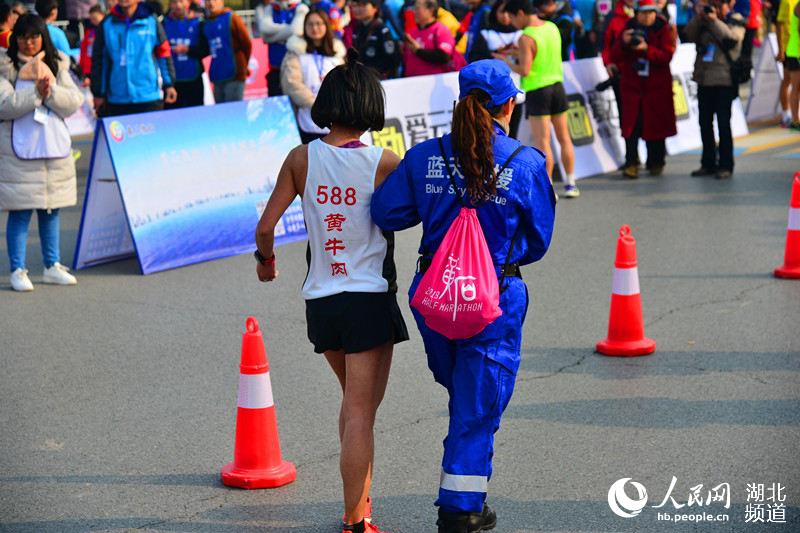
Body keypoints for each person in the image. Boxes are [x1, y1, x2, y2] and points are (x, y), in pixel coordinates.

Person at [371, 59, 555, 533]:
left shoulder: (423, 156)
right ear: (508, 105)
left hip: (434, 298)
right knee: (478, 405)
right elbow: (537, 242)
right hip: (493, 298)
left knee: (466, 397)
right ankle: (461, 508)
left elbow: (388, 213)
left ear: (460, 103)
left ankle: (464, 487)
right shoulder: (526, 162)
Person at [255, 50, 408, 533]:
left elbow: (265, 228)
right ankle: (354, 520)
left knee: (351, 403)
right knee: (362, 412)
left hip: (321, 300)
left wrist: (267, 262)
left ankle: (361, 507)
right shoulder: (384, 162)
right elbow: (414, 213)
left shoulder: (301, 157)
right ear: (368, 106)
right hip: (368, 297)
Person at [0, 14, 84, 291]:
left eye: (34, 36)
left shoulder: (58, 63)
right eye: (22, 36)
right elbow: (4, 105)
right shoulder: (6, 66)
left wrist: (51, 93)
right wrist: (35, 93)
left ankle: (52, 265)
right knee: (21, 213)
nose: (28, 42)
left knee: (51, 210)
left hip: (52, 149)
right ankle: (17, 269)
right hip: (18, 152)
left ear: (43, 37)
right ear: (16, 39)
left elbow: (74, 102)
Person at [501, 0, 579, 198]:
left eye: (512, 19)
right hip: (557, 86)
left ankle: (549, 189)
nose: (512, 24)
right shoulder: (552, 27)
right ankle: (571, 183)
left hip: (538, 91)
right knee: (564, 138)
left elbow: (525, 69)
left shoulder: (526, 37)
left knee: (543, 142)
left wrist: (507, 61)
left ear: (520, 13)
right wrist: (517, 52)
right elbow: (543, 52)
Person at [611, 0, 676, 178]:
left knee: (656, 126)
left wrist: (647, 49)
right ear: (637, 13)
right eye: (643, 13)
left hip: (656, 88)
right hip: (632, 86)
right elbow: (615, 54)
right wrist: (624, 43)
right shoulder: (628, 29)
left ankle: (656, 161)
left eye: (650, 13)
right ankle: (631, 162)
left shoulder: (664, 29)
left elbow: (667, 55)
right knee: (631, 127)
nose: (646, 17)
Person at [686, 0, 745, 179]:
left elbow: (732, 40)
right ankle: (708, 163)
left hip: (724, 80)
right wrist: (699, 17)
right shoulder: (702, 21)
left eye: (718, 4)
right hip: (704, 79)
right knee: (704, 123)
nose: (713, 9)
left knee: (723, 125)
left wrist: (714, 21)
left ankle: (726, 164)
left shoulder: (735, 20)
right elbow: (688, 35)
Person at [90, 0, 177, 116]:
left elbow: (164, 53)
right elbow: (99, 61)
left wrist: (169, 84)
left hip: (148, 96)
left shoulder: (151, 21)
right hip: (118, 99)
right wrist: (98, 93)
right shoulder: (107, 24)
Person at [281, 9, 345, 143]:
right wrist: (317, 104)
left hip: (337, 121)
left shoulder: (337, 53)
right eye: (310, 24)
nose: (315, 28)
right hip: (308, 119)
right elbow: (291, 84)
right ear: (304, 27)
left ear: (326, 26)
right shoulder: (296, 52)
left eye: (319, 24)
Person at [194, 0, 252, 103]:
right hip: (217, 76)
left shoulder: (232, 18)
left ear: (222, 2)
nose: (211, 3)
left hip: (234, 75)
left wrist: (242, 66)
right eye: (208, 1)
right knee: (221, 114)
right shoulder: (206, 23)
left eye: (215, 0)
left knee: (233, 113)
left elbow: (246, 44)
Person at [257, 0, 309, 96]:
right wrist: (289, 31)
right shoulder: (270, 8)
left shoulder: (301, 8)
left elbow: (296, 30)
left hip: (296, 70)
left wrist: (272, 37)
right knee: (275, 107)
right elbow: (264, 30)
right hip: (275, 70)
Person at [163, 0, 204, 108]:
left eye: (181, 1)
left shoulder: (198, 23)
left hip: (194, 80)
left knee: (196, 117)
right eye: (174, 2)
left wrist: (188, 49)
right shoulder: (163, 24)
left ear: (188, 3)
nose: (178, 5)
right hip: (173, 82)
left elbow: (205, 49)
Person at [403, 0, 457, 76]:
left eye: (417, 8)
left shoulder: (440, 30)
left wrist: (419, 51)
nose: (414, 12)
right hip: (411, 82)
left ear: (430, 10)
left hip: (432, 83)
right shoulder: (412, 32)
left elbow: (444, 56)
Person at [349, 0, 401, 79]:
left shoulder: (382, 30)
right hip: (361, 79)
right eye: (355, 5)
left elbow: (392, 59)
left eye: (363, 5)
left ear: (375, 8)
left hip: (378, 80)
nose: (357, 9)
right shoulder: (357, 28)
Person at [778, 0, 800, 128]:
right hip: (795, 51)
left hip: (794, 49)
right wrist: (781, 49)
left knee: (795, 86)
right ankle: (795, 120)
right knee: (794, 85)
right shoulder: (792, 3)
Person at [78, 4, 103, 87]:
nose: (93, 21)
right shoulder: (89, 32)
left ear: (102, 15)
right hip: (89, 69)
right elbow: (83, 50)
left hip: (101, 68)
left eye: (95, 18)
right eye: (91, 19)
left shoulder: (107, 30)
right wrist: (83, 69)